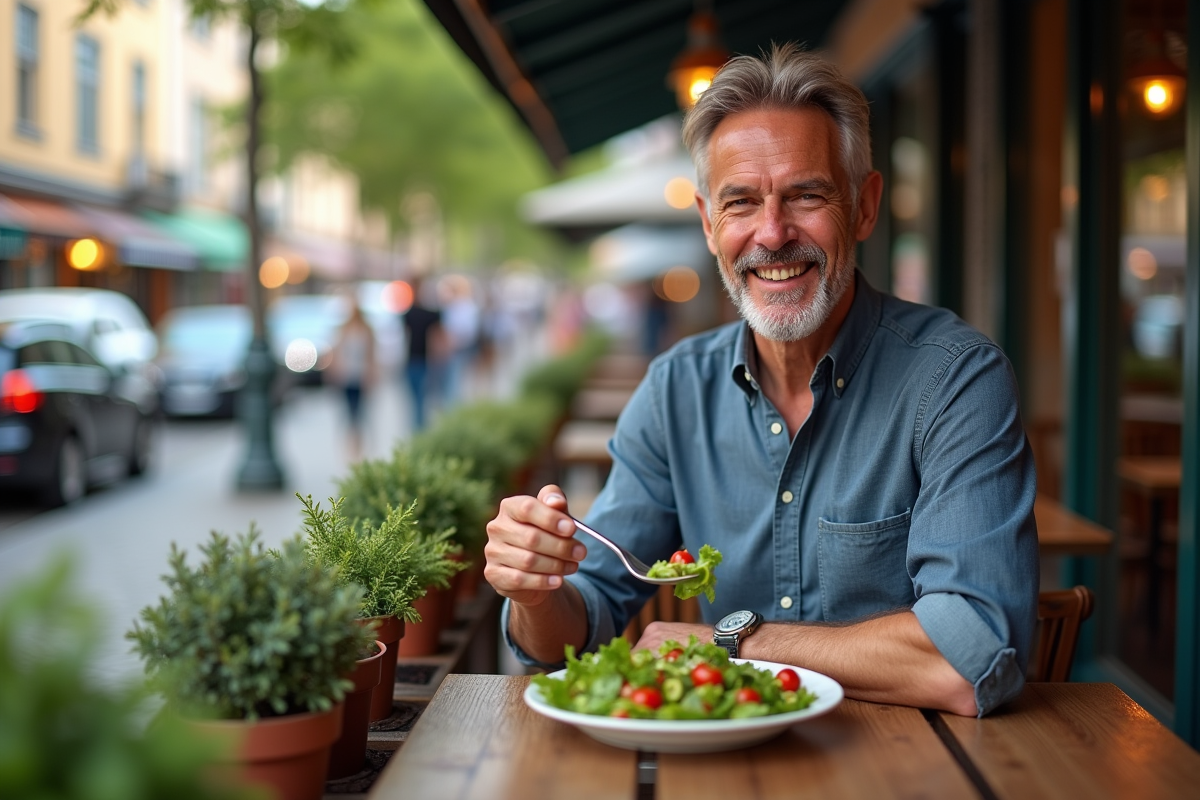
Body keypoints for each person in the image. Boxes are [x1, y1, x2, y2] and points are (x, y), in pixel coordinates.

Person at [484, 43, 1039, 718]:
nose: (772, 234)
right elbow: (580, 622)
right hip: (724, 763)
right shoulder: (676, 392)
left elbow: (969, 655)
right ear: (709, 224)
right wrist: (536, 591)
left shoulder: (955, 379)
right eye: (741, 202)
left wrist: (731, 643)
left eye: (806, 195)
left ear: (864, 207)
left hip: (911, 768)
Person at [328, 301, 377, 461]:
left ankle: (358, 445)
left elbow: (372, 355)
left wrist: (371, 374)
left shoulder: (367, 331)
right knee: (350, 413)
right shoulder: (343, 331)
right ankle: (351, 446)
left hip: (361, 377)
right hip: (347, 377)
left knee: (359, 413)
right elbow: (336, 353)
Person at [402, 276, 443, 431]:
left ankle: (418, 430)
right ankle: (418, 429)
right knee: (415, 400)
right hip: (412, 361)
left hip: (424, 361)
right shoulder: (408, 313)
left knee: (420, 400)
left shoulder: (430, 314)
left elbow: (437, 339)